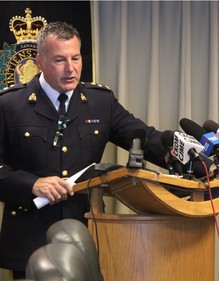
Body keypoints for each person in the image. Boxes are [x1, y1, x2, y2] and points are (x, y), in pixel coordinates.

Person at [0, 21, 168, 278]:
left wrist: (189, 155)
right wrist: (31, 184)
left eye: (76, 58)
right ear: (40, 61)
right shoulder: (11, 105)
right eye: (59, 60)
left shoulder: (99, 102)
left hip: (85, 234)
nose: (71, 68)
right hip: (30, 238)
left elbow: (144, 137)